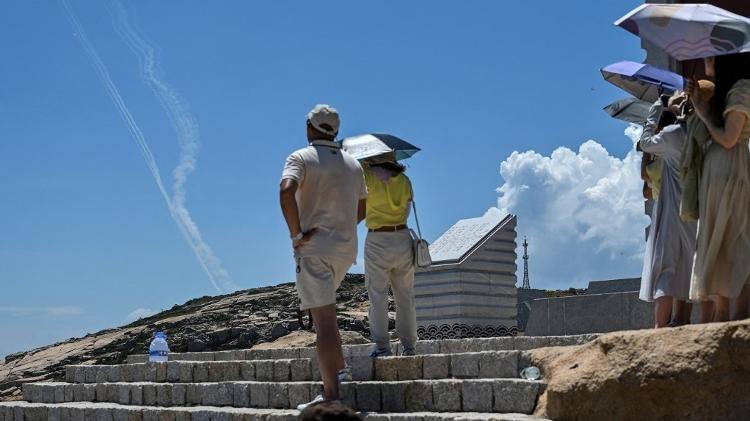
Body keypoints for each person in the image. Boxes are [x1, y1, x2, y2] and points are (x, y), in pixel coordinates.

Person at [280, 104, 367, 409]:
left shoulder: (300, 158)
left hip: (314, 248)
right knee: (325, 318)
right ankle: (336, 371)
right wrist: (340, 230)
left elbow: (286, 191)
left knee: (325, 323)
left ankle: (331, 395)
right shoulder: (354, 165)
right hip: (345, 249)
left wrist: (296, 235)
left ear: (310, 127)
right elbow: (362, 208)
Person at [688, 52, 750, 322]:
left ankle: (739, 316)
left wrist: (703, 114)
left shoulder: (741, 89)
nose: (706, 64)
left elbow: (728, 138)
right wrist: (698, 100)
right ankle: (722, 315)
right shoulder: (726, 90)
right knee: (720, 240)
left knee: (736, 238)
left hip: (730, 170)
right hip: (718, 173)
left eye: (711, 59)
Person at [638, 93, 697, 328]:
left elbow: (645, 143)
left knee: (666, 267)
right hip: (695, 207)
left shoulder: (672, 135)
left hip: (672, 207)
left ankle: (659, 327)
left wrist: (656, 109)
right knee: (689, 265)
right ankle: (682, 319)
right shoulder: (700, 134)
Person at [362, 158, 418, 357]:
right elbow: (408, 210)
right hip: (402, 237)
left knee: (377, 296)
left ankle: (382, 347)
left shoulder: (367, 176)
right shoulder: (404, 180)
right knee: (405, 296)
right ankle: (409, 347)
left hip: (377, 237)